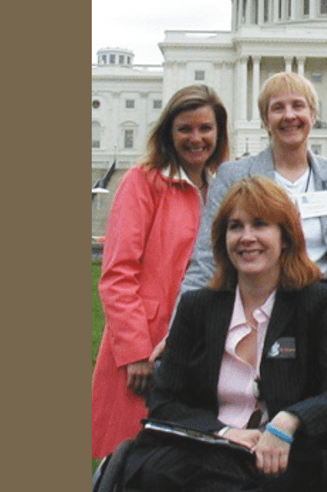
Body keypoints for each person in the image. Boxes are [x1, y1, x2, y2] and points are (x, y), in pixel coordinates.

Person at [117, 176, 327, 492]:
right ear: (223, 239)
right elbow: (163, 399)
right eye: (235, 227)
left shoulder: (316, 304)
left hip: (274, 458)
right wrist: (222, 432)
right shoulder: (196, 307)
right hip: (198, 451)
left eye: (260, 224)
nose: (247, 237)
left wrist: (289, 420)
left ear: (285, 237)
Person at [177, 71, 327, 349]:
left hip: (325, 316)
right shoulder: (234, 176)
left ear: (313, 114)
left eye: (298, 105)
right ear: (265, 119)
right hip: (256, 312)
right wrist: (176, 332)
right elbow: (206, 259)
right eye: (278, 108)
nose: (289, 115)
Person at [92, 85, 230, 459]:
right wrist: (134, 350)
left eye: (205, 128)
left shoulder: (222, 187)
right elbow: (118, 273)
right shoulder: (143, 181)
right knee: (134, 458)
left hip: (205, 342)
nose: (196, 138)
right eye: (185, 128)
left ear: (219, 133)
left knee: (190, 459)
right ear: (169, 132)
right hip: (149, 344)